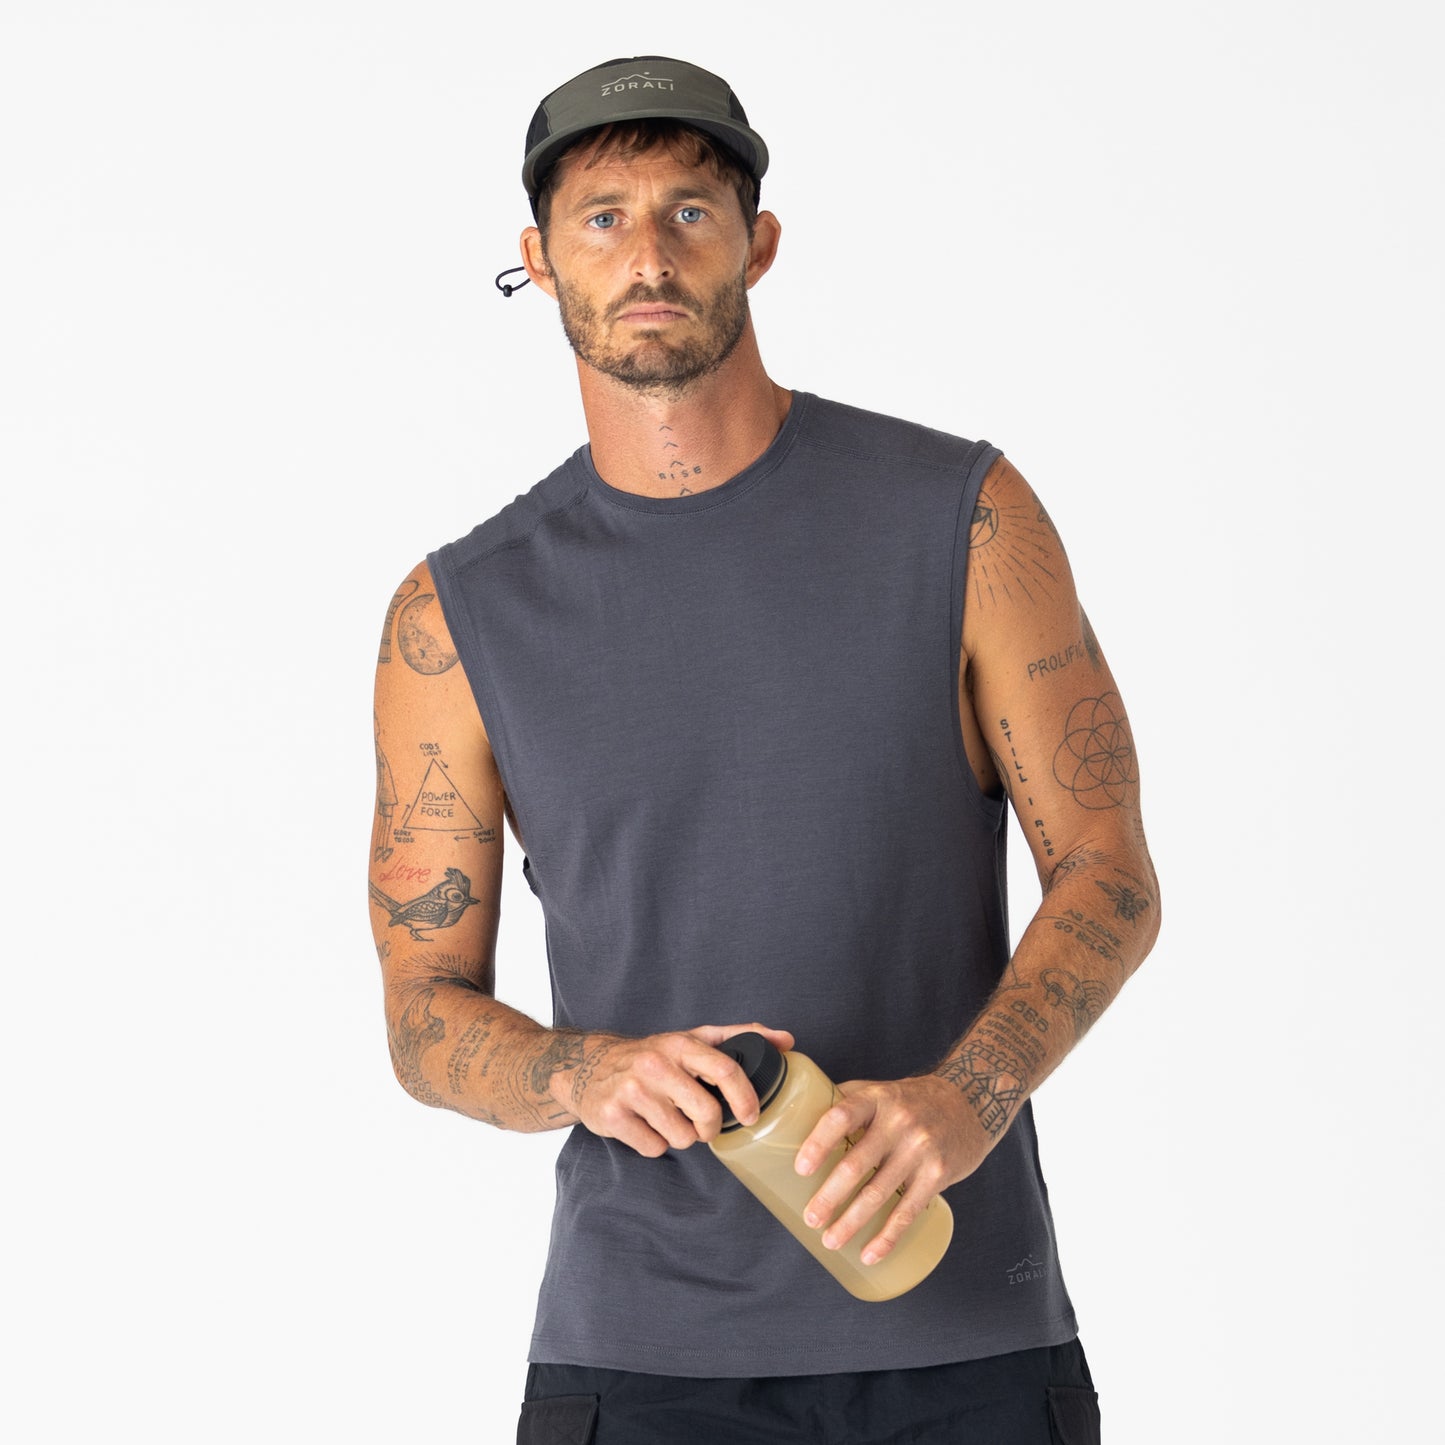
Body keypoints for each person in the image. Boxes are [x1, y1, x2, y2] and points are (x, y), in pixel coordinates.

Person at [369, 55, 1160, 1445]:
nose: (647, 255)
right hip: (639, 1359)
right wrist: (581, 1073)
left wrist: (966, 1102)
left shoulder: (964, 517)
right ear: (538, 261)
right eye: (601, 217)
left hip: (964, 1342)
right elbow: (423, 1010)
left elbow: (1109, 876)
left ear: (760, 242)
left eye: (690, 210)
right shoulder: (458, 615)